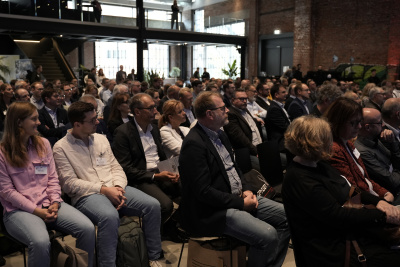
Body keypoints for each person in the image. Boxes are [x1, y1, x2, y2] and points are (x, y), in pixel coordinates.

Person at [179, 91, 290, 267]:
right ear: (210, 114)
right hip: (212, 211)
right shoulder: (194, 144)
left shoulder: (220, 134)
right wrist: (240, 204)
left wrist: (247, 189)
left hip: (238, 196)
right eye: (223, 108)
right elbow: (204, 192)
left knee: (287, 216)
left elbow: (235, 168)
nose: (228, 111)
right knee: (268, 235)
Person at [53, 101, 163, 267]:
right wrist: (104, 190)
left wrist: (118, 187)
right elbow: (69, 184)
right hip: (87, 196)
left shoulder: (101, 139)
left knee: (152, 205)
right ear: (77, 124)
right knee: (109, 216)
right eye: (92, 120)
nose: (97, 122)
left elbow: (116, 167)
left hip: (115, 186)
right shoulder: (61, 147)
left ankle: (153, 257)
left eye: (96, 118)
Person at [283, 115, 400, 267]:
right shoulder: (299, 179)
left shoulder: (317, 164)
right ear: (316, 143)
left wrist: (379, 202)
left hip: (346, 231)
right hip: (331, 248)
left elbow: (349, 190)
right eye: (328, 138)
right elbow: (338, 216)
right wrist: (384, 216)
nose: (331, 142)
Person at [0, 102, 95, 267]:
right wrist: (38, 212)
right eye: (34, 119)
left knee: (86, 229)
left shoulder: (43, 144)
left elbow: (52, 178)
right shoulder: (3, 152)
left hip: (49, 203)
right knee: (40, 241)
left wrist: (55, 202)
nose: (39, 122)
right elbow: (7, 192)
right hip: (19, 211)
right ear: (19, 122)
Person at [112, 93, 181, 224]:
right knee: (165, 205)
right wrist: (155, 176)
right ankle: (158, 233)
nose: (155, 111)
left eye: (155, 107)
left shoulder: (154, 128)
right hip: (141, 178)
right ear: (137, 111)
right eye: (150, 108)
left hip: (160, 172)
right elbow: (125, 169)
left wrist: (173, 172)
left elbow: (161, 157)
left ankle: (172, 226)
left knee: (190, 190)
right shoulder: (123, 132)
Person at [325, 97, 398, 203]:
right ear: (339, 122)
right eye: (353, 123)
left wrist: (385, 192)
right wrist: (380, 202)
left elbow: (364, 179)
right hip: (363, 206)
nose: (359, 126)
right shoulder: (334, 150)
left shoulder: (348, 144)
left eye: (359, 122)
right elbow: (351, 190)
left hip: (373, 198)